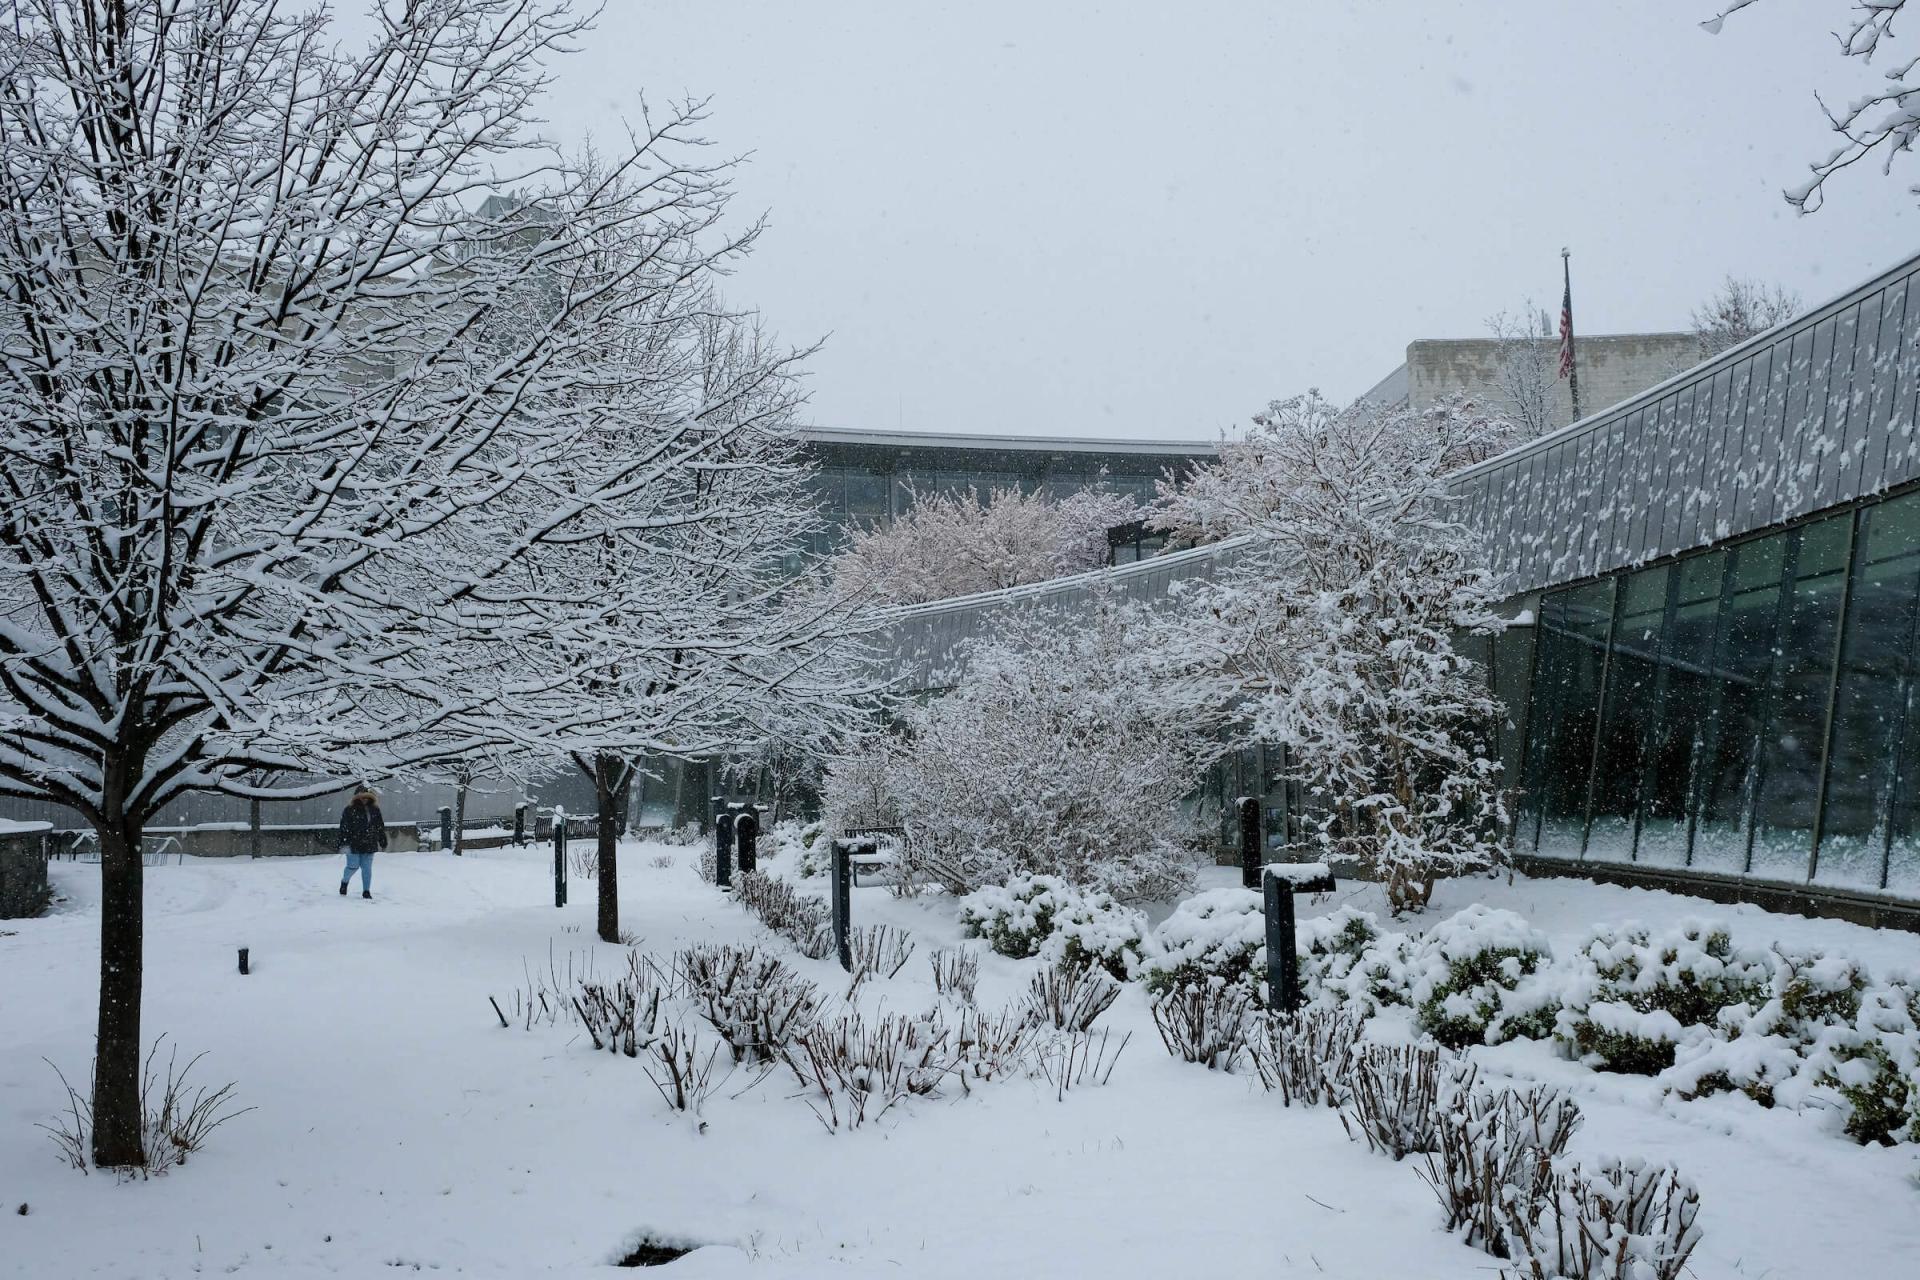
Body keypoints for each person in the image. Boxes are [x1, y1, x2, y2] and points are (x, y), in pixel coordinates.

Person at [337, 788, 387, 899]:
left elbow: (379, 826)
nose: (364, 799)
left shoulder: (375, 809)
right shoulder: (349, 810)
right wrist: (344, 842)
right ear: (357, 797)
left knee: (367, 868)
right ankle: (344, 882)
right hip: (352, 842)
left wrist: (382, 839)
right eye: (362, 796)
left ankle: (366, 891)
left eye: (367, 797)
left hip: (370, 842)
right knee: (353, 866)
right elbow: (344, 827)